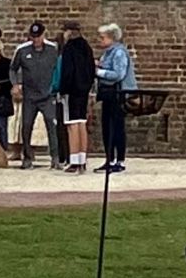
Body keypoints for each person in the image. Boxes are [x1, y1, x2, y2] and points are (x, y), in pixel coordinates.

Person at [10, 21, 62, 171]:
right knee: (26, 126)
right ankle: (27, 157)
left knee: (52, 126)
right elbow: (13, 69)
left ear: (44, 35)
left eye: (38, 36)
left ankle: (55, 158)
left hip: (47, 95)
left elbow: (58, 68)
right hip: (30, 96)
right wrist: (15, 84)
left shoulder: (53, 50)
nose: (36, 40)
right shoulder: (22, 50)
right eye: (33, 37)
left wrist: (56, 86)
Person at [94, 23, 138, 175]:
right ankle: (109, 158)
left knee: (116, 126)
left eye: (102, 37)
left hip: (118, 94)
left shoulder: (119, 53)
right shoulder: (108, 53)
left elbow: (118, 74)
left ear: (112, 38)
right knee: (107, 127)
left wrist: (99, 72)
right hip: (108, 94)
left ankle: (118, 160)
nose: (99, 40)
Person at [56, 22, 96, 175]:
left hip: (71, 91)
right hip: (83, 91)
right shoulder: (86, 47)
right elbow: (91, 69)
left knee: (72, 125)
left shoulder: (69, 49)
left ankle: (74, 160)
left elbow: (67, 72)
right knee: (81, 123)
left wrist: (63, 89)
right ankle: (82, 159)